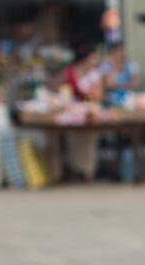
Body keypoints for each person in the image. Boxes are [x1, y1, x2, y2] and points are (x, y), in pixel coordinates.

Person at [63, 45, 104, 181]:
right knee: (73, 140)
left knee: (90, 141)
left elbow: (98, 93)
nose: (94, 61)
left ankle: (88, 171)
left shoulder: (95, 73)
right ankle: (75, 169)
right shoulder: (72, 71)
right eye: (92, 58)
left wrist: (90, 95)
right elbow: (67, 89)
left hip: (91, 110)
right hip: (73, 110)